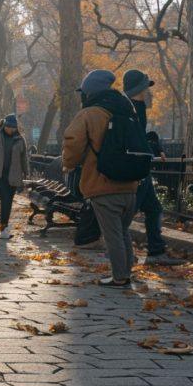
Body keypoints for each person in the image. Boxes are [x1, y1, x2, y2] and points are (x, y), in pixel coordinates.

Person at [62, 69, 140, 287]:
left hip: (102, 184)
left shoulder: (89, 114)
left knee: (112, 235)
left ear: (89, 92)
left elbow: (73, 142)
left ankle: (119, 277)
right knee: (123, 232)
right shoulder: (127, 109)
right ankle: (126, 273)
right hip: (130, 184)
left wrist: (68, 164)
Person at [123, 69, 181, 265]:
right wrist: (153, 146)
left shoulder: (136, 107)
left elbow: (141, 136)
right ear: (139, 89)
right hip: (136, 168)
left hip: (141, 168)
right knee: (128, 213)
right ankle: (120, 254)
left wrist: (155, 144)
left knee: (153, 209)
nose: (149, 92)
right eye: (146, 88)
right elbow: (133, 139)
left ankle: (156, 251)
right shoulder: (131, 109)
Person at [0, 114, 29, 239]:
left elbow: (24, 158)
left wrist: (26, 173)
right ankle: (4, 228)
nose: (10, 129)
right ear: (4, 125)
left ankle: (4, 225)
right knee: (5, 199)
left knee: (8, 201)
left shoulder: (20, 139)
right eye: (8, 126)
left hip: (13, 175)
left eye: (13, 127)